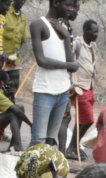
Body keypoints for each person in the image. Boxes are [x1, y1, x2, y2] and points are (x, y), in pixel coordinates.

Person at [28, 0, 79, 148]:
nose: (71, 9)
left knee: (50, 141)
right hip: (45, 90)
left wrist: (65, 35)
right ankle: (27, 171)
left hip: (62, 91)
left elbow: (70, 64)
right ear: (55, 3)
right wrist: (68, 65)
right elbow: (42, 60)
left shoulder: (63, 28)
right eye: (67, 5)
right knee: (38, 141)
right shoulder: (38, 24)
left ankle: (43, 171)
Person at [59, 19, 98, 159]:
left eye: (97, 32)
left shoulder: (92, 46)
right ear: (85, 31)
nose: (96, 34)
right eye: (94, 32)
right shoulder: (77, 43)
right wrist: (71, 82)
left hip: (89, 86)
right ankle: (71, 148)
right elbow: (69, 60)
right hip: (79, 86)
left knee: (85, 120)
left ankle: (74, 146)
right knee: (86, 119)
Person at [0, 67, 30, 151]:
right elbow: (15, 110)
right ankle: (17, 146)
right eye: (8, 80)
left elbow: (12, 106)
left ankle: (13, 145)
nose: (9, 82)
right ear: (2, 82)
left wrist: (9, 96)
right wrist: (30, 124)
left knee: (20, 107)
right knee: (13, 114)